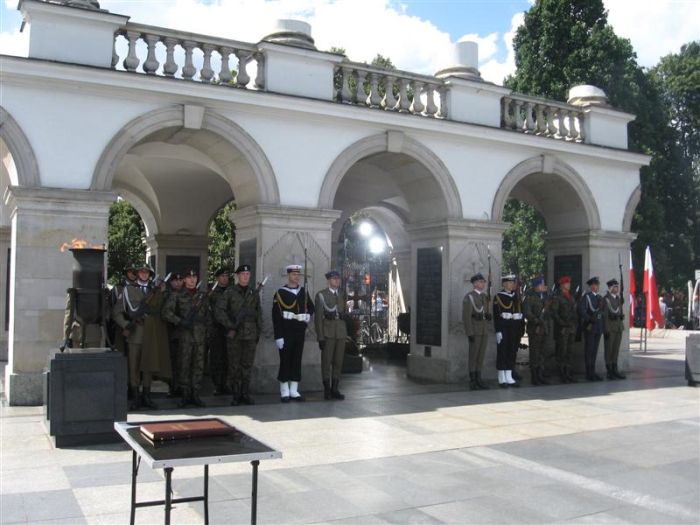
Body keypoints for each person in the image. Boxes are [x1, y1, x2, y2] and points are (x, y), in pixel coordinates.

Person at [111, 263, 158, 410]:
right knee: (134, 366)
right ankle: (136, 397)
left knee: (148, 366)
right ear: (137, 274)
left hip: (151, 333)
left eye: (147, 273)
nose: (144, 275)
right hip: (135, 333)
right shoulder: (127, 290)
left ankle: (147, 396)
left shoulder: (155, 290)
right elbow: (116, 312)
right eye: (142, 272)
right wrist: (126, 324)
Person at [162, 268, 211, 408]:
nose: (192, 280)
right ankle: (185, 394)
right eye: (189, 277)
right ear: (184, 280)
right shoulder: (177, 295)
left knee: (199, 365)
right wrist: (180, 321)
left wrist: (208, 333)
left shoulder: (203, 296)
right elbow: (166, 312)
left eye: (194, 277)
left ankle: (195, 394)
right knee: (184, 365)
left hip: (200, 336)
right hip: (185, 336)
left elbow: (208, 316)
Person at [215, 264, 262, 406]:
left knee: (247, 365)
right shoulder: (229, 292)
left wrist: (258, 332)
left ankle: (245, 393)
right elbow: (219, 311)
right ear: (237, 276)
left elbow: (258, 314)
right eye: (243, 274)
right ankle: (236, 394)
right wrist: (230, 325)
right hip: (235, 335)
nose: (245, 277)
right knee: (234, 365)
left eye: (248, 274)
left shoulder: (253, 293)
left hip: (250, 334)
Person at [272, 264, 315, 402]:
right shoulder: (280, 293)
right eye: (294, 274)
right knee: (285, 360)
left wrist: (308, 315)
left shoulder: (303, 291)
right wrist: (278, 336)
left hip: (299, 331)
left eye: (298, 275)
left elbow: (311, 307)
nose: (296, 277)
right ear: (288, 275)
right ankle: (284, 391)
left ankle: (294, 390)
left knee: (296, 359)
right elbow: (276, 316)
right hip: (286, 331)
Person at [315, 270, 348, 400]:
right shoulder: (321, 295)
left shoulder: (342, 294)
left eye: (338, 279)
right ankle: (327, 389)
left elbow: (343, 312)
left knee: (338, 362)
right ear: (329, 281)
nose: (337, 281)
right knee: (326, 362)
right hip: (328, 333)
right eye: (334, 279)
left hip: (340, 332)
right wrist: (320, 337)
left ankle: (335, 388)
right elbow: (318, 318)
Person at [493, 273, 524, 388]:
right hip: (504, 328)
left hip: (514, 329)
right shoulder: (498, 297)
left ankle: (509, 376)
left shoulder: (515, 296)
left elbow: (520, 312)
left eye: (513, 282)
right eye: (510, 283)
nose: (512, 285)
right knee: (503, 352)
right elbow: (497, 316)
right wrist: (498, 331)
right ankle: (502, 378)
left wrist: (521, 328)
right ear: (505, 284)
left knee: (511, 352)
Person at [462, 272, 490, 390]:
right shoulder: (469, 297)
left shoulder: (484, 297)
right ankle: (473, 380)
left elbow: (486, 311)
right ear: (474, 283)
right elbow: (466, 317)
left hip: (483, 330)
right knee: (473, 356)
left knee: (481, 355)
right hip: (475, 330)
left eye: (483, 282)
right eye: (480, 282)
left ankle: (479, 378)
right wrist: (469, 333)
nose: (483, 284)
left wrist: (489, 316)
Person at [522, 276, 550, 386]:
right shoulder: (529, 297)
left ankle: (540, 375)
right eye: (542, 285)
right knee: (535, 353)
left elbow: (548, 312)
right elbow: (527, 312)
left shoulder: (545, 297)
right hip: (535, 329)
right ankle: (534, 377)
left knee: (542, 353)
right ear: (537, 286)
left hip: (544, 328)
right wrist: (537, 320)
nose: (544, 286)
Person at [551, 275, 578, 383]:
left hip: (571, 328)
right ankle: (562, 374)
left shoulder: (571, 297)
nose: (569, 285)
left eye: (569, 283)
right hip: (562, 329)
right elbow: (554, 313)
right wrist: (562, 324)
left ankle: (568, 373)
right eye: (567, 283)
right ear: (562, 285)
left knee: (569, 352)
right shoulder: (557, 297)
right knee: (561, 351)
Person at [208, 267, 230, 396]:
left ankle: (226, 384)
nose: (225, 279)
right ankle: (217, 385)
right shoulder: (212, 292)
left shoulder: (231, 291)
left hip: (228, 328)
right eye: (222, 276)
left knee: (228, 358)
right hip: (216, 329)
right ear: (217, 278)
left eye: (226, 276)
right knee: (216, 358)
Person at [578, 276, 604, 381]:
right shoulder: (587, 297)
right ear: (591, 286)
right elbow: (582, 310)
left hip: (598, 327)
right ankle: (589, 373)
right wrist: (589, 319)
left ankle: (593, 371)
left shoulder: (600, 298)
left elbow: (602, 312)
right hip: (590, 327)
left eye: (597, 285)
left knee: (594, 351)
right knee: (589, 350)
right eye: (594, 285)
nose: (596, 287)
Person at [163, 273, 183, 397]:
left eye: (180, 280)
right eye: (175, 280)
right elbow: (165, 313)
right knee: (173, 362)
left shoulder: (186, 295)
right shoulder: (167, 295)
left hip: (185, 334)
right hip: (172, 333)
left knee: (183, 362)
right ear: (171, 282)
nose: (178, 282)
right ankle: (173, 386)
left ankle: (182, 387)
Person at [602, 278, 626, 380]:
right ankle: (609, 371)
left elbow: (619, 312)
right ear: (610, 288)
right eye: (614, 287)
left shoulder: (618, 299)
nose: (616, 288)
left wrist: (621, 316)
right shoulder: (606, 299)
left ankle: (615, 369)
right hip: (610, 328)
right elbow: (605, 316)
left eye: (617, 287)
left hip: (618, 327)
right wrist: (606, 329)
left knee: (615, 350)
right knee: (609, 350)